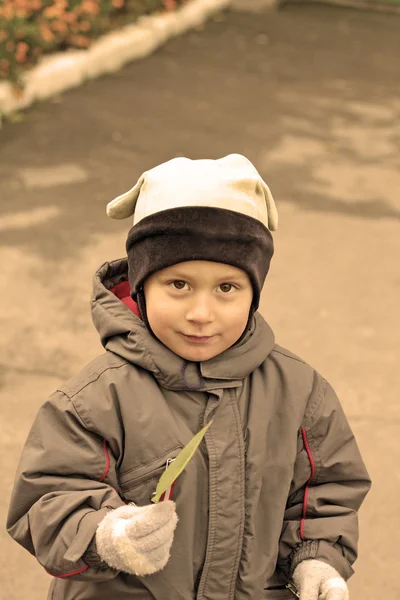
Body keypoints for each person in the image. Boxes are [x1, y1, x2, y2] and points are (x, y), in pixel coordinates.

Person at [7, 154, 370, 600]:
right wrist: (106, 536)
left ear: (254, 293)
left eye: (226, 288)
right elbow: (48, 499)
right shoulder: (94, 400)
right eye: (178, 285)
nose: (201, 314)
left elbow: (324, 492)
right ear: (141, 288)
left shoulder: (301, 392)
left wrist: (316, 558)